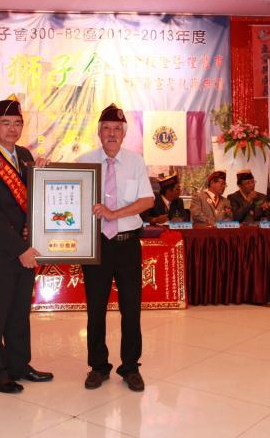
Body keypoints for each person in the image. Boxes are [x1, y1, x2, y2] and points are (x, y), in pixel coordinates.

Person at [0, 97, 52, 394]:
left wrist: (43, 173)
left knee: (18, 314)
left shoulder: (25, 156)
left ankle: (18, 365)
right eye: (5, 123)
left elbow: (34, 200)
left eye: (17, 123)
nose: (12, 128)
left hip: (24, 251)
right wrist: (21, 248)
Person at [77, 104, 154, 392]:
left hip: (127, 244)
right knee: (95, 309)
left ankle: (130, 367)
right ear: (99, 132)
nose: (111, 134)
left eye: (117, 129)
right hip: (96, 245)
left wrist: (113, 214)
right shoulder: (84, 161)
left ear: (124, 133)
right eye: (107, 128)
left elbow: (147, 201)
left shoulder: (135, 162)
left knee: (131, 308)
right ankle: (98, 366)